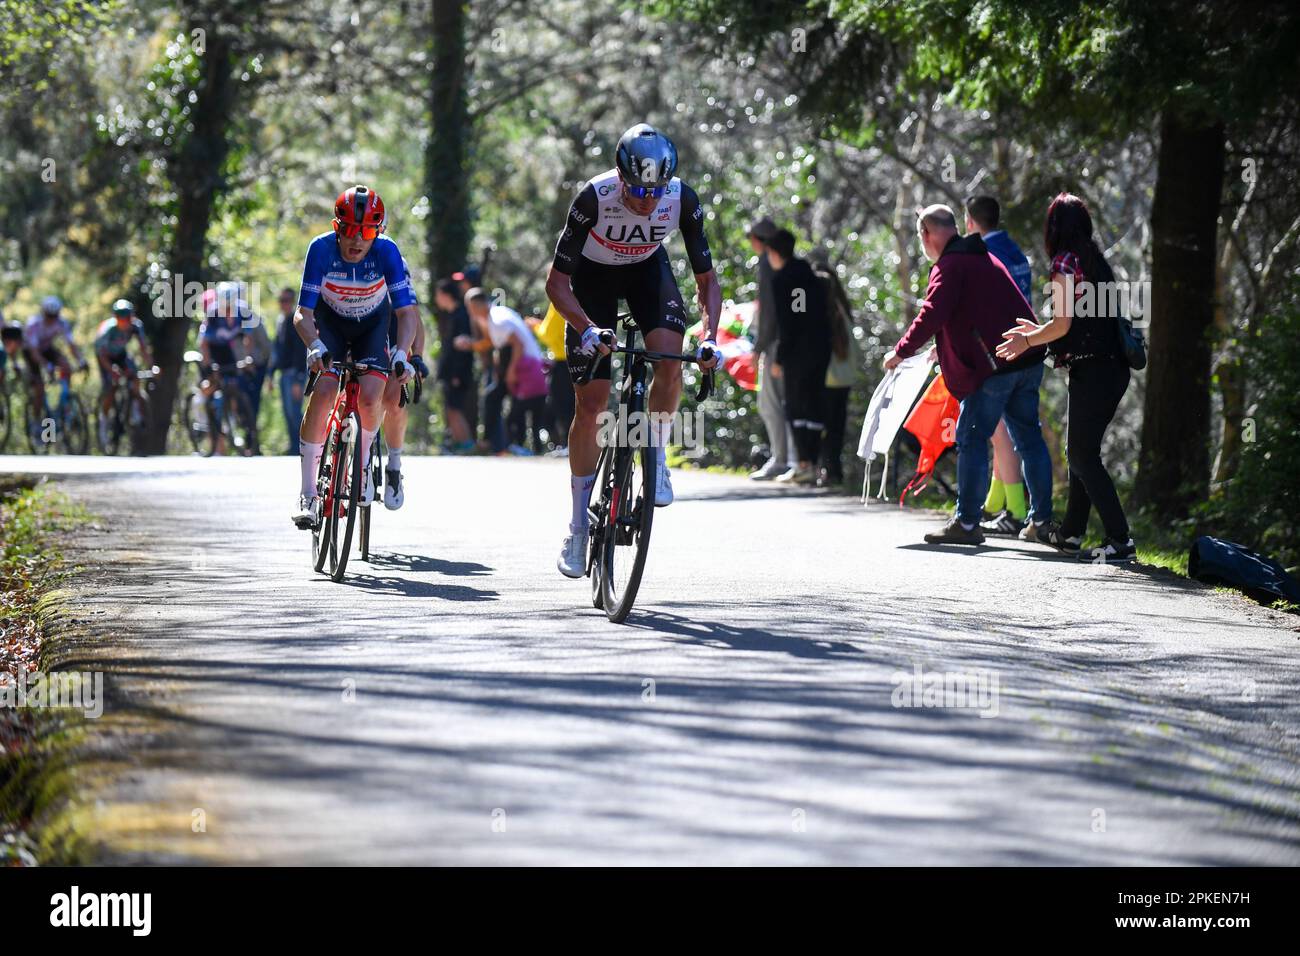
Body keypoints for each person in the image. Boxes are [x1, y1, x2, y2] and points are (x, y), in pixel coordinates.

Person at [545, 122, 723, 577]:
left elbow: (706, 280)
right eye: (638, 190)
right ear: (620, 176)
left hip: (647, 271)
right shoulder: (593, 198)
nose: (647, 202)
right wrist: (585, 329)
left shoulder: (681, 198)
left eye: (655, 192)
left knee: (668, 355)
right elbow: (557, 283)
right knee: (594, 405)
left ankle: (657, 455)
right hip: (593, 282)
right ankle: (578, 527)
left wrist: (710, 337)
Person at [884, 204, 1054, 545]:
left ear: (926, 235)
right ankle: (1041, 521)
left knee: (972, 438)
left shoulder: (951, 264)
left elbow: (932, 313)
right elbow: (970, 313)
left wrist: (900, 351)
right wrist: (941, 347)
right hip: (1026, 361)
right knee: (1029, 439)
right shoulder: (983, 257)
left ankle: (967, 523)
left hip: (995, 368)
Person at [997, 192, 1134, 563]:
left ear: (1053, 227)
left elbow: (1062, 324)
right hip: (1111, 368)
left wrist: (1029, 338)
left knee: (1082, 455)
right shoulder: (1093, 259)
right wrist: (1036, 330)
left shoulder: (1065, 261)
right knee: (1082, 453)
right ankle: (1071, 534)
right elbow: (1071, 324)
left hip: (1094, 370)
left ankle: (1120, 540)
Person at [290, 184, 418, 529]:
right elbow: (302, 313)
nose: (357, 240)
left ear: (377, 232)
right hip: (330, 324)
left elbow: (407, 315)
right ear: (337, 228)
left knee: (372, 397)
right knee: (325, 392)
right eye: (350, 230)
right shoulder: (320, 249)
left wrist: (404, 353)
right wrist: (315, 345)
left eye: (367, 232)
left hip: (372, 327)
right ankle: (307, 494)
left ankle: (360, 468)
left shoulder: (387, 252)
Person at [965, 195, 1035, 536]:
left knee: (1000, 433)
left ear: (970, 222)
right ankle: (994, 506)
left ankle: (1017, 511)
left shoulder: (987, 253)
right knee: (1007, 432)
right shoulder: (1015, 249)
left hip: (1001, 349)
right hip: (1026, 342)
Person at [765, 229, 830, 485]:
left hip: (797, 352)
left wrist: (779, 357)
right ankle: (812, 463)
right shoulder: (811, 275)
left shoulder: (783, 279)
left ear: (774, 252)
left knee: (795, 407)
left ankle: (803, 464)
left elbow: (788, 321)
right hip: (821, 348)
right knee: (814, 405)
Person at [464, 289, 547, 454]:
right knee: (505, 403)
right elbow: (499, 345)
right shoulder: (496, 315)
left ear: (475, 306)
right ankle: (504, 445)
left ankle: (498, 444)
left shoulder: (497, 320)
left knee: (509, 406)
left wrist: (510, 371)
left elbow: (518, 344)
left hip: (525, 369)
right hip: (524, 367)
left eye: (470, 308)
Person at [377, 257, 429, 510]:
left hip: (393, 330)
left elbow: (413, 315)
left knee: (393, 400)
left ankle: (394, 465)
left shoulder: (394, 259)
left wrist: (416, 356)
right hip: (355, 328)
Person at [746, 216, 794, 480]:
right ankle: (790, 458)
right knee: (782, 401)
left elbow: (769, 309)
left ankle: (782, 459)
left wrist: (759, 347)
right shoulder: (786, 263)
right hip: (787, 340)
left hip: (775, 342)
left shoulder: (767, 262)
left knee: (770, 402)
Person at [812, 257, 862, 488]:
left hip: (825, 377)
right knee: (836, 426)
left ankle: (823, 469)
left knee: (820, 425)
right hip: (843, 378)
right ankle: (834, 471)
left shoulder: (819, 309)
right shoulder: (843, 307)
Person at [93, 298, 153, 445]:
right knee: (111, 387)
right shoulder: (107, 330)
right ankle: (104, 419)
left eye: (127, 318)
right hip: (105, 357)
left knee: (135, 374)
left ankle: (135, 408)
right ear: (115, 318)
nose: (125, 321)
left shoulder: (136, 326)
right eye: (121, 318)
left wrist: (152, 366)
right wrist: (111, 370)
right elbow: (101, 355)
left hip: (121, 355)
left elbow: (143, 349)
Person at [22, 295, 87, 413]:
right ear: (43, 313)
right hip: (31, 352)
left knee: (66, 366)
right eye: (49, 316)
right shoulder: (33, 324)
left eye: (54, 316)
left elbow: (71, 345)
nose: (51, 319)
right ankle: (36, 420)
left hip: (46, 349)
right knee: (39, 389)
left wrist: (80, 360)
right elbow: (34, 353)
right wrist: (47, 366)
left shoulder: (62, 323)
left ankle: (65, 398)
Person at [433, 279, 475, 452]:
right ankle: (460, 444)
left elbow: (463, 349)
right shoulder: (452, 315)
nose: (436, 299)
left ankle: (467, 445)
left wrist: (457, 374)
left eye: (438, 295)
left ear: (445, 295)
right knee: (451, 409)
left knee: (455, 409)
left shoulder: (461, 315)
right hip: (450, 372)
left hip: (458, 373)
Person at [271, 287, 307, 455]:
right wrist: (270, 375)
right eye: (281, 300)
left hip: (295, 374)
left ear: (292, 302)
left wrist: (299, 378)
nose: (283, 304)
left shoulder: (296, 321)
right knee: (287, 412)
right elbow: (277, 351)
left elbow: (301, 351)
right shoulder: (281, 321)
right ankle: (293, 446)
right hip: (284, 373)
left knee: (295, 412)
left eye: (286, 300)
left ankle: (302, 445)